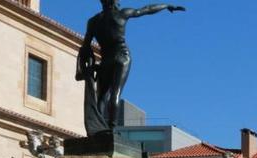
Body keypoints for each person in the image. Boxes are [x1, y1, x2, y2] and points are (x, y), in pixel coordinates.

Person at [78, 1, 185, 135]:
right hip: (122, 56)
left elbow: (86, 46)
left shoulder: (93, 21)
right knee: (115, 93)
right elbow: (147, 9)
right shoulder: (122, 13)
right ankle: (112, 129)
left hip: (106, 60)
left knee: (102, 96)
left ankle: (98, 128)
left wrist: (86, 65)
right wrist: (166, 6)